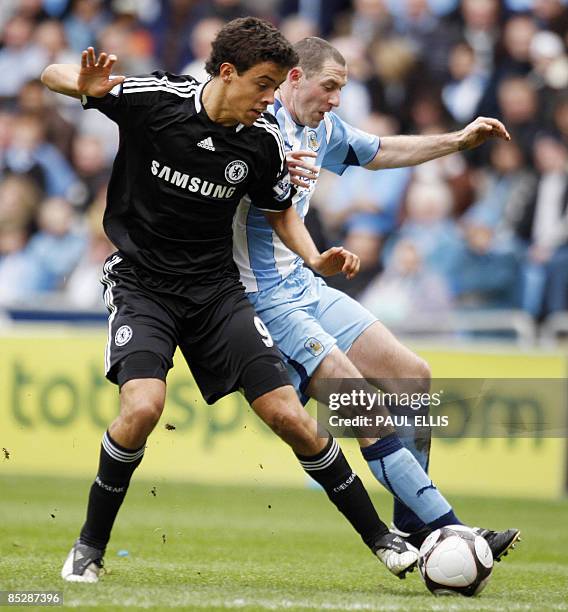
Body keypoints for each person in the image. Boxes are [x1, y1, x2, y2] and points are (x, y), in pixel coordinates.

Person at [41, 18, 418, 584]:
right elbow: (52, 72)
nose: (270, 100)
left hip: (216, 291)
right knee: (142, 409)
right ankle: (89, 547)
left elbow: (281, 211)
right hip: (143, 284)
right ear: (226, 72)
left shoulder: (262, 139)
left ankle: (383, 539)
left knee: (289, 415)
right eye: (263, 85)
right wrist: (86, 86)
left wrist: (314, 259)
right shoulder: (157, 100)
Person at [233, 36, 521, 556]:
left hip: (306, 286)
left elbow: (383, 150)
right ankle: (448, 531)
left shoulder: (322, 131)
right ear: (294, 78)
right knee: (363, 407)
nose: (337, 99)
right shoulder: (252, 125)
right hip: (264, 299)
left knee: (414, 375)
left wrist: (457, 141)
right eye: (330, 87)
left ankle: (416, 527)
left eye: (342, 89)